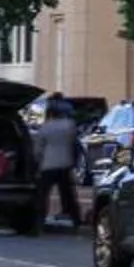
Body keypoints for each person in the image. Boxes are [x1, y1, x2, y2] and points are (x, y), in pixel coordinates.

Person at [32, 94, 81, 227]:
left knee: (43, 194)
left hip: (48, 165)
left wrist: (37, 163)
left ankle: (39, 219)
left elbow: (38, 150)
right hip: (65, 164)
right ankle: (75, 218)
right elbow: (74, 145)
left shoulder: (46, 127)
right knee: (68, 193)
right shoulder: (70, 125)